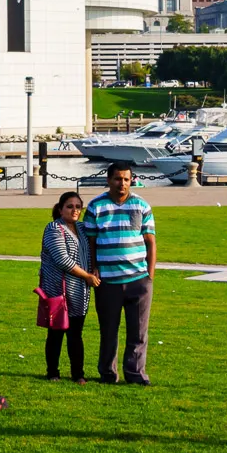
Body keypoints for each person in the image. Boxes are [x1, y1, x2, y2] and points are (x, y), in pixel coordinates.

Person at [79, 160, 156, 385]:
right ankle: (108, 374)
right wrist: (94, 268)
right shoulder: (95, 207)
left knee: (138, 333)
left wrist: (149, 275)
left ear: (131, 180)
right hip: (107, 282)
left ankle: (136, 375)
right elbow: (90, 243)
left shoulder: (142, 205)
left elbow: (150, 242)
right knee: (108, 332)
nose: (122, 183)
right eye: (117, 179)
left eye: (126, 179)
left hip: (138, 280)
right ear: (108, 180)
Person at [39, 191, 100, 382]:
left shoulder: (82, 228)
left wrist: (94, 269)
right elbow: (62, 260)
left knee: (76, 334)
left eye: (78, 207)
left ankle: (78, 374)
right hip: (58, 291)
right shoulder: (54, 228)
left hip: (79, 292)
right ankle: (53, 372)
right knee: (56, 333)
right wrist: (88, 276)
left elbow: (91, 250)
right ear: (60, 208)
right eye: (69, 206)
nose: (74, 210)